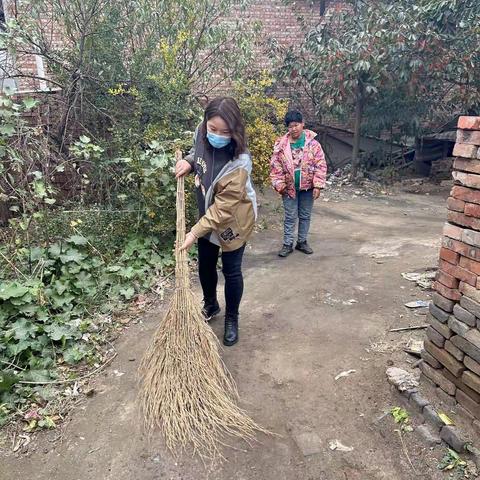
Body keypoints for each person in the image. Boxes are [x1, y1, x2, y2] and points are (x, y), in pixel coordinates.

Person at [175, 97, 257, 347]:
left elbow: (223, 209)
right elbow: (196, 155)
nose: (218, 135)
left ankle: (232, 318)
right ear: (205, 123)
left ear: (235, 130)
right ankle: (211, 304)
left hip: (232, 220)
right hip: (207, 217)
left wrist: (193, 232)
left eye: (226, 132)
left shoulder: (239, 162)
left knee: (231, 271)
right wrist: (188, 162)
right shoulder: (201, 133)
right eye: (213, 129)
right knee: (205, 265)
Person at [270, 110, 327, 257]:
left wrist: (318, 185)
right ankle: (287, 244)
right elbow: (275, 166)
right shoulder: (281, 145)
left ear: (303, 124)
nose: (293, 129)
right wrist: (279, 184)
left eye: (296, 125)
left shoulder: (313, 144)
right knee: (290, 216)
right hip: (288, 189)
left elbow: (320, 165)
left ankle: (302, 242)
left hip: (307, 188)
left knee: (305, 215)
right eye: (290, 126)